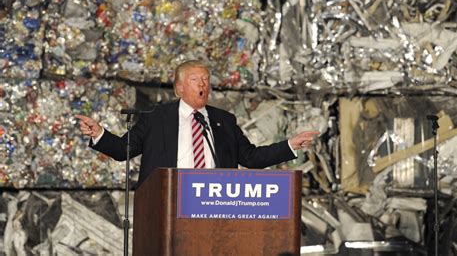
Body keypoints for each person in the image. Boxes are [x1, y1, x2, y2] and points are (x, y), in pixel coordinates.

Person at [76, 60, 319, 186]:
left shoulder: (223, 120)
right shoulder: (156, 117)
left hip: (214, 200)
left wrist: (290, 145)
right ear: (179, 87)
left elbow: (250, 158)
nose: (203, 84)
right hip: (169, 199)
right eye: (195, 79)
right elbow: (123, 150)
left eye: (206, 79)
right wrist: (99, 133)